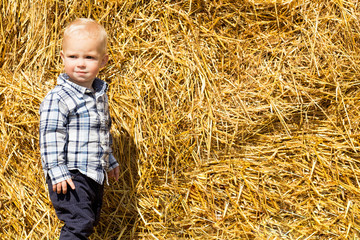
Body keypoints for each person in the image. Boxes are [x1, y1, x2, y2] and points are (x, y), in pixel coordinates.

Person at [39, 18, 120, 240]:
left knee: (89, 221)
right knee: (79, 223)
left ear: (103, 61)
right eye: (73, 57)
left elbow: (100, 132)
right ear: (63, 58)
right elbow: (50, 135)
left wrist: (109, 160)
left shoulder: (99, 96)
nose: (81, 63)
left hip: (94, 174)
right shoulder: (58, 97)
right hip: (70, 176)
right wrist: (56, 170)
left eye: (89, 57)